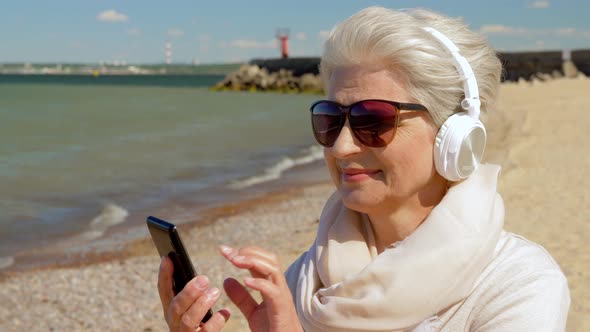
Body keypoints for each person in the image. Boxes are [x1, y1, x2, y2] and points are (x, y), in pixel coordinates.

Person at [157, 6, 570, 331]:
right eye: (330, 118)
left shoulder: (516, 284)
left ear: (455, 136)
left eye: (373, 121)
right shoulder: (305, 278)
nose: (341, 145)